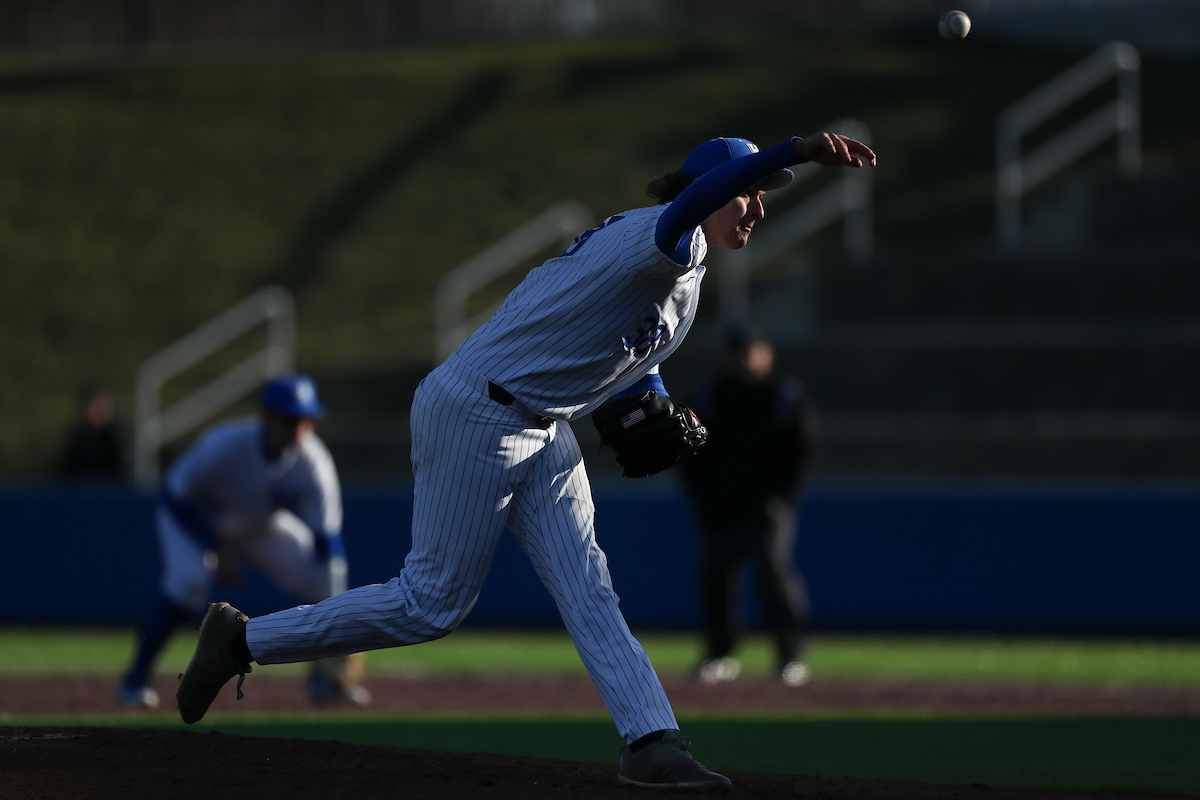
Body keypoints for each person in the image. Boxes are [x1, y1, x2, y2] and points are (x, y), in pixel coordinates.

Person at [174, 131, 875, 789]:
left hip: (544, 427)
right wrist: (800, 149)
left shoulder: (686, 277)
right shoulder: (663, 233)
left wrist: (660, 405)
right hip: (476, 411)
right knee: (430, 605)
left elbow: (632, 358)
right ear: (708, 187)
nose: (757, 205)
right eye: (748, 190)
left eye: (764, 193)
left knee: (588, 583)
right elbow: (690, 206)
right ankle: (241, 640)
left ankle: (652, 741)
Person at [118, 374, 370, 710]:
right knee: (188, 580)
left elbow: (328, 542)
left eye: (306, 419)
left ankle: (323, 680)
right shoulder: (225, 445)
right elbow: (176, 496)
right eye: (290, 418)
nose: (299, 427)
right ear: (266, 417)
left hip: (256, 523)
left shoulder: (314, 460)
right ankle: (134, 681)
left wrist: (339, 618)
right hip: (196, 519)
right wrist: (215, 546)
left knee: (317, 578)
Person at [681, 323, 814, 688]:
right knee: (715, 580)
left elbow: (800, 453)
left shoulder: (783, 395)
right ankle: (720, 653)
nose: (745, 360)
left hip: (766, 509)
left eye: (752, 351)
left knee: (772, 573)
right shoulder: (709, 394)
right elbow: (690, 450)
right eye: (738, 353)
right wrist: (699, 496)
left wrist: (782, 499)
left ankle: (791, 655)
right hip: (720, 507)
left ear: (766, 353)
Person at [57, 384, 126, 479]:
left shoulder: (118, 439)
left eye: (102, 406)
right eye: (94, 407)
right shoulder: (76, 440)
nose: (99, 411)